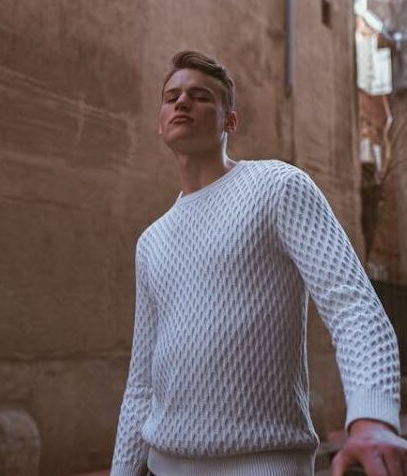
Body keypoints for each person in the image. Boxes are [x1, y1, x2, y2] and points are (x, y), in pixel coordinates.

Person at [110, 50, 407, 476]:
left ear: (230, 121)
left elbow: (352, 304)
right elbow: (141, 382)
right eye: (171, 96)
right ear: (160, 121)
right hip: (163, 465)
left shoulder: (276, 187)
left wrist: (372, 418)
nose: (182, 102)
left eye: (200, 96)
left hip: (263, 464)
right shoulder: (151, 240)